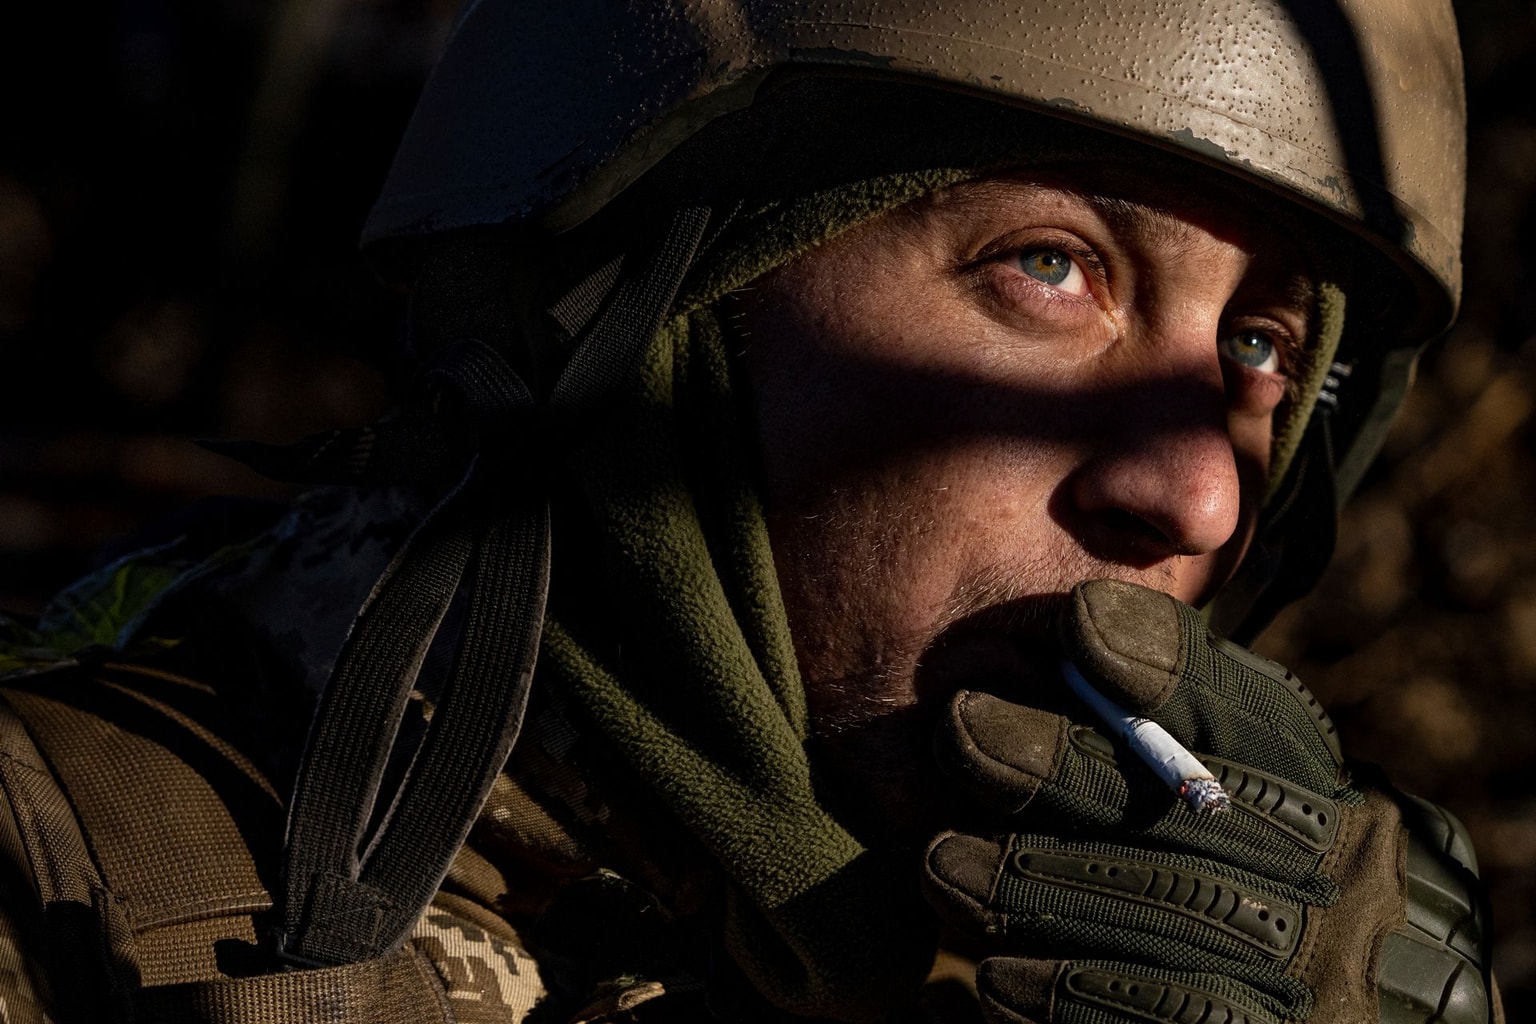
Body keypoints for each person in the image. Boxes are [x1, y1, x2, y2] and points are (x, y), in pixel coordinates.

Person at [0, 1, 1500, 1022]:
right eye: (1049, 266)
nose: (1197, 488)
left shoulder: (1104, 973)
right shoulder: (50, 891)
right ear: (657, 322)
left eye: (1259, 348)